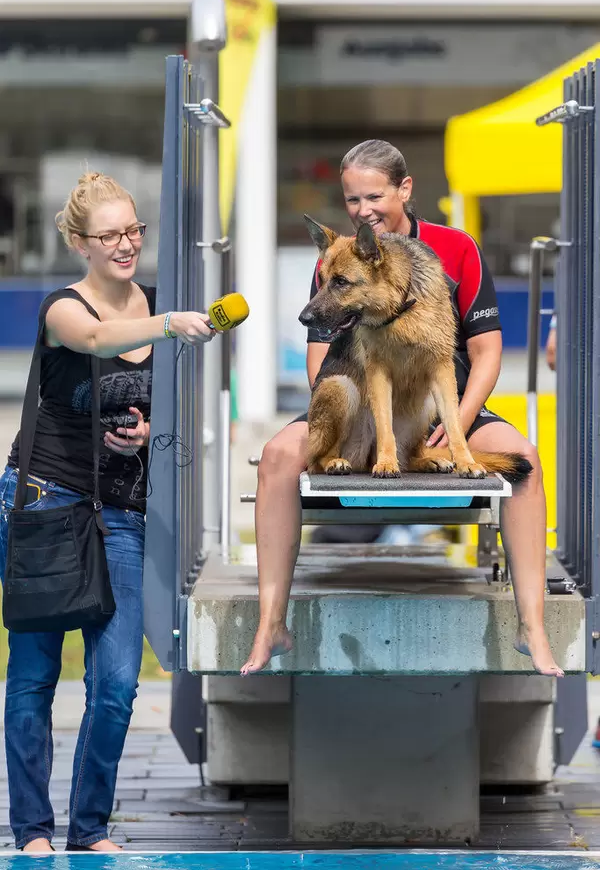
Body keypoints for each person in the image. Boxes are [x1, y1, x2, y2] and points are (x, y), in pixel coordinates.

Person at [241, 139, 564, 679]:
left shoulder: (456, 248)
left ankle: (532, 626)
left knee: (523, 460)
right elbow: (323, 366)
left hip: (447, 406)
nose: (363, 211)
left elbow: (485, 354)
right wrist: (360, 431)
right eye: (352, 200)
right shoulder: (337, 259)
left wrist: (456, 422)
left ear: (405, 190)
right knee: (276, 458)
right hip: (359, 404)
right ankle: (270, 623)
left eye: (374, 197)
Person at [0, 172, 216, 853]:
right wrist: (170, 323)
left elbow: (166, 408)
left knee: (118, 683)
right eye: (111, 234)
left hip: (119, 511)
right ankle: (33, 828)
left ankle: (89, 829)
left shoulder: (152, 304)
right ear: (78, 242)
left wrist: (146, 434)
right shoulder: (64, 310)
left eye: (134, 231)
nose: (127, 244)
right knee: (33, 676)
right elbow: (97, 341)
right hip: (43, 501)